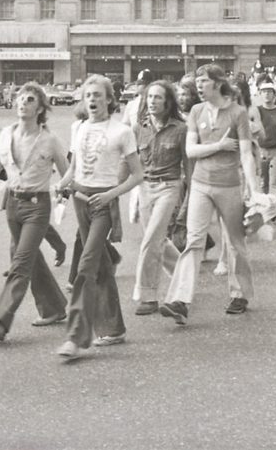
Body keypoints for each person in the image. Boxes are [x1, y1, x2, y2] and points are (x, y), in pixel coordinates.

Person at [160, 64, 260, 325]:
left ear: (217, 83)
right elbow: (191, 151)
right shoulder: (196, 111)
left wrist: (254, 189)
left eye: (204, 81)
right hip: (201, 184)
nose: (199, 86)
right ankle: (180, 301)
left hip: (229, 185)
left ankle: (240, 294)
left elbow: (247, 154)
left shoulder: (238, 113)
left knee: (236, 241)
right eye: (198, 82)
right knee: (194, 241)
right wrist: (219, 146)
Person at [54, 75, 142, 360]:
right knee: (101, 267)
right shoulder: (78, 127)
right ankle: (114, 328)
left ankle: (77, 337)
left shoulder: (122, 131)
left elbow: (138, 175)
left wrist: (111, 194)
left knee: (87, 265)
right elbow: (74, 168)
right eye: (88, 95)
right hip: (80, 200)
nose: (92, 99)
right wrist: (61, 185)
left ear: (109, 99)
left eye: (98, 95)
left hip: (103, 202)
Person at [0, 82, 69, 341]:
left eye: (29, 100)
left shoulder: (49, 140)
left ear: (40, 108)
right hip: (12, 204)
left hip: (37, 207)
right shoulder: (6, 134)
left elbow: (66, 168)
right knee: (31, 259)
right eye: (20, 99)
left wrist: (63, 189)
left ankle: (1, 319)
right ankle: (54, 308)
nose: (22, 103)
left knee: (21, 261)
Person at [131, 81, 186, 315]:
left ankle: (148, 296)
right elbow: (132, 163)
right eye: (150, 97)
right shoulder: (138, 128)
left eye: (158, 97)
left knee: (150, 241)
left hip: (169, 187)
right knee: (158, 241)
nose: (152, 101)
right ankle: (184, 280)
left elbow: (189, 165)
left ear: (168, 102)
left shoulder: (180, 129)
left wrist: (190, 197)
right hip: (145, 187)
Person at [255, 78, 276, 198]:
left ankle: (273, 210)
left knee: (275, 182)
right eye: (264, 92)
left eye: (269, 91)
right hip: (261, 150)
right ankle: (265, 209)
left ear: (274, 95)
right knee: (263, 183)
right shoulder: (257, 111)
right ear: (260, 94)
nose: (267, 94)